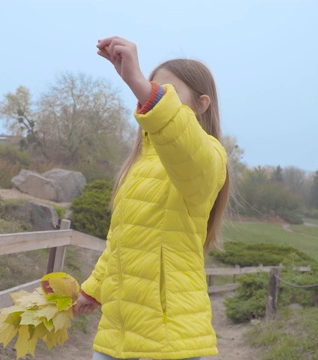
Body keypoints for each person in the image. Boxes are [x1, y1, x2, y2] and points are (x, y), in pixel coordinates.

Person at [73, 36, 231, 360]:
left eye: (166, 92)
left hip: (169, 340)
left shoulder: (208, 158)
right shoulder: (139, 165)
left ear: (202, 104)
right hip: (117, 333)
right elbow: (122, 241)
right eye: (151, 88)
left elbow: (186, 146)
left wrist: (138, 82)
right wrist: (94, 289)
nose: (150, 94)